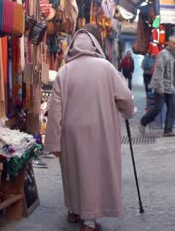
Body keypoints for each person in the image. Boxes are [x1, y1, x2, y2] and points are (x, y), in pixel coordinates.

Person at [44, 24, 136, 231]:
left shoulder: (64, 72)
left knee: (73, 171)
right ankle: (89, 221)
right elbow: (125, 97)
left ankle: (74, 210)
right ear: (95, 45)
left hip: (71, 132)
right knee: (94, 173)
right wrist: (129, 112)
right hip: (101, 130)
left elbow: (55, 110)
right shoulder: (106, 68)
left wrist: (53, 142)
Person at [139, 35, 175, 137]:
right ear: (168, 43)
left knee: (172, 108)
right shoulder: (163, 54)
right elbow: (158, 72)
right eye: (174, 43)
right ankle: (143, 122)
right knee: (157, 108)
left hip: (171, 87)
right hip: (161, 86)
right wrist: (160, 88)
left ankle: (168, 130)